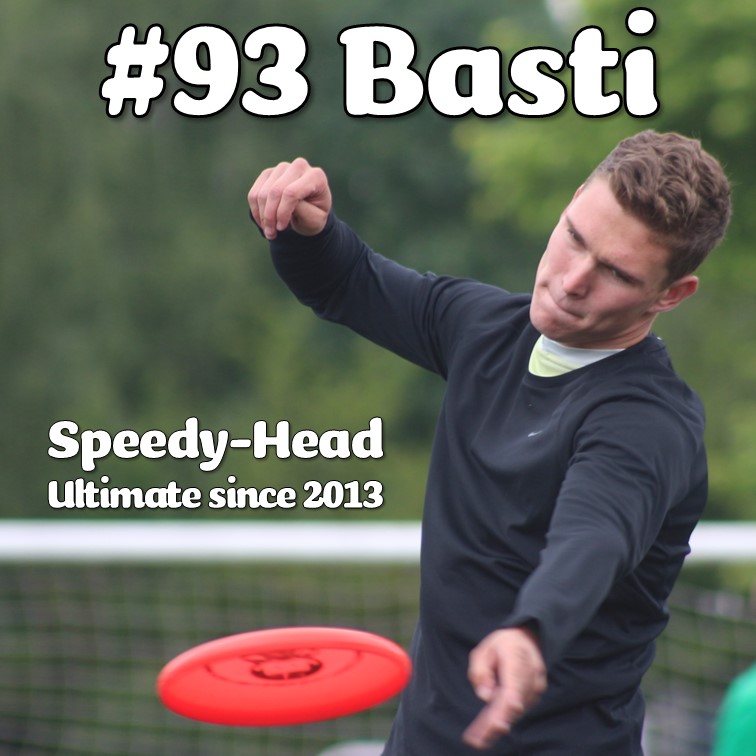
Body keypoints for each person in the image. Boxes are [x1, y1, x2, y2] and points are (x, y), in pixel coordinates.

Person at [248, 131, 732, 754]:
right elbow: (347, 281)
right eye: (574, 237)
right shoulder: (484, 329)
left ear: (671, 294)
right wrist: (302, 227)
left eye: (615, 271)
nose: (573, 280)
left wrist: (532, 631)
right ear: (571, 203)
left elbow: (595, 535)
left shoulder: (647, 422)